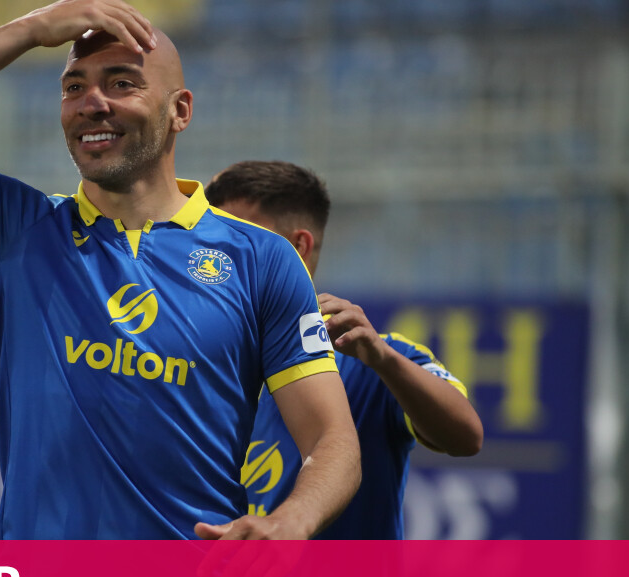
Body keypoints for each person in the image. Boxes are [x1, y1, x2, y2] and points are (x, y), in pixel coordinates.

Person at [0, 1, 360, 540]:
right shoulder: (15, 228)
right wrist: (30, 29)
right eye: (73, 87)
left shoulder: (261, 258)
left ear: (180, 110)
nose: (92, 104)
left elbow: (332, 440)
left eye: (121, 83)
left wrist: (290, 522)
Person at [206, 161, 483, 539]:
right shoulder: (191, 359)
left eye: (240, 239)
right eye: (212, 241)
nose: (218, 257)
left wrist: (384, 361)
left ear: (298, 247)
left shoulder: (370, 361)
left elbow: (466, 437)